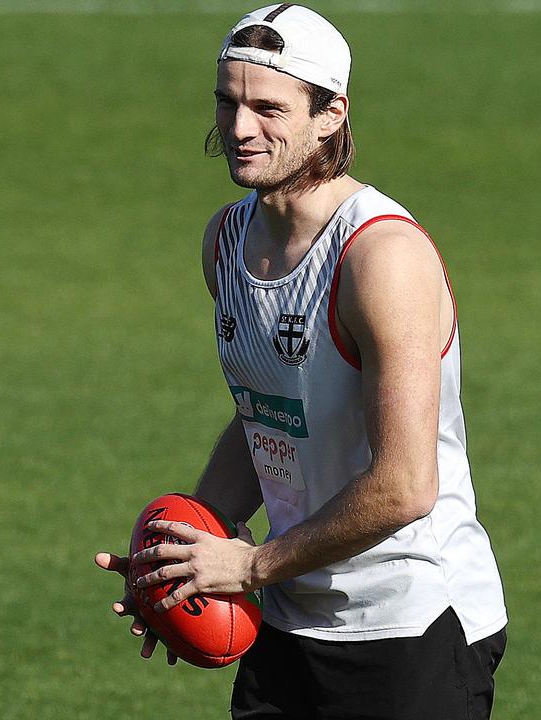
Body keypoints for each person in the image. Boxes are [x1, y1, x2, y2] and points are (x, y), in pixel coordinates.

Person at [96, 5, 507, 718]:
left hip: (409, 626)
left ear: (331, 114)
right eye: (227, 102)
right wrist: (190, 560)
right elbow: (270, 411)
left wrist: (249, 564)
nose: (240, 128)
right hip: (287, 619)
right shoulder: (226, 241)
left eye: (268, 108)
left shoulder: (381, 257)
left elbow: (406, 485)